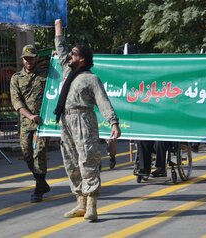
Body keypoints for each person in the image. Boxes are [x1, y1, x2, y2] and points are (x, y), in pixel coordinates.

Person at [54, 19, 121, 222]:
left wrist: (113, 123)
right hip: (65, 120)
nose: (69, 56)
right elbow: (61, 49)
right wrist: (58, 28)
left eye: (74, 54)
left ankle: (92, 204)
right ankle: (80, 202)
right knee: (71, 162)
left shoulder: (91, 79)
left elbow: (103, 101)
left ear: (82, 59)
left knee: (87, 161)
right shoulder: (68, 71)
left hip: (83, 120)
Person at [10, 44, 50, 202]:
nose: (29, 61)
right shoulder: (16, 78)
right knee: (26, 154)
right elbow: (16, 101)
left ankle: (39, 188)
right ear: (22, 60)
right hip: (27, 122)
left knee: (39, 152)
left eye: (31, 58)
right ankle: (42, 182)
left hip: (43, 122)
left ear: (36, 58)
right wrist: (30, 115)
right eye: (26, 58)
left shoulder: (46, 74)